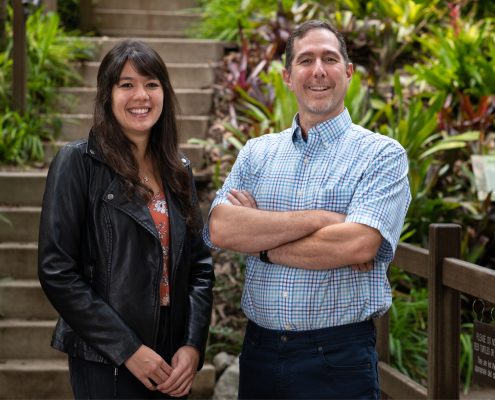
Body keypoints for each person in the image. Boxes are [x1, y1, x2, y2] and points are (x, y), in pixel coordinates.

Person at [203, 20, 411, 399]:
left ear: (348, 72)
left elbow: (359, 245)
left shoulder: (382, 155)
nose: (318, 71)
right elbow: (220, 228)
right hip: (259, 353)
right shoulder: (257, 153)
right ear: (287, 75)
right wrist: (322, 221)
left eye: (330, 59)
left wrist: (259, 244)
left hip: (338, 358)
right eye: (305, 60)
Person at [38, 40, 215, 399]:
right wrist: (128, 350)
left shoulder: (178, 169)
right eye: (127, 84)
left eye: (152, 84)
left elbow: (200, 266)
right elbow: (57, 270)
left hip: (171, 355)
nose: (141, 96)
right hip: (106, 356)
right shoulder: (77, 163)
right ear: (108, 94)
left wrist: (193, 345)